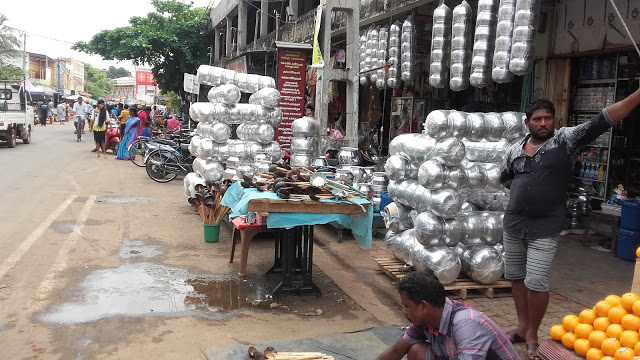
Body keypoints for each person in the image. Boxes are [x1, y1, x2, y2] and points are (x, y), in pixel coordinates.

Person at [499, 90, 640, 360]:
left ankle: (532, 334)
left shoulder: (565, 140)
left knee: (536, 280)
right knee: (515, 277)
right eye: (537, 119)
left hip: (546, 225)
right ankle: (521, 326)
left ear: (554, 120)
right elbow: (506, 178)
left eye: (548, 118)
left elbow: (604, 119)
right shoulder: (514, 149)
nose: (543, 123)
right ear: (527, 122)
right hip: (515, 223)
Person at [376, 270, 518, 360]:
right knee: (416, 351)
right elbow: (396, 351)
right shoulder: (426, 320)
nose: (404, 312)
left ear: (423, 306)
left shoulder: (467, 325)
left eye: (406, 306)